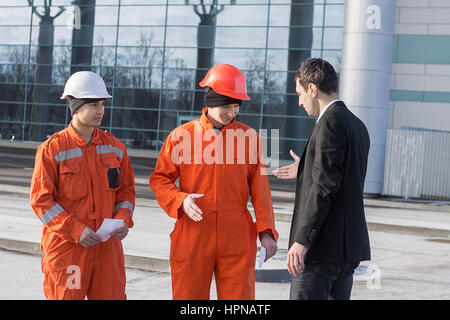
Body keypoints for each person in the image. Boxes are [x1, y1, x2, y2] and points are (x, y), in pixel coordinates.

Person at [150, 64, 279, 300]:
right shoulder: (181, 136)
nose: (232, 113)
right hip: (193, 234)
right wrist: (181, 200)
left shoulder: (250, 139)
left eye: (236, 106)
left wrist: (267, 233)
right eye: (226, 106)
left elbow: (261, 191)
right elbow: (160, 179)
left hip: (237, 237)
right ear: (210, 101)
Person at [30, 71, 136, 300]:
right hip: (68, 249)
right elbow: (42, 200)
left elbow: (126, 192)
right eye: (93, 105)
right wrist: (76, 231)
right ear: (75, 107)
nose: (100, 111)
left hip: (107, 249)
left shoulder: (116, 148)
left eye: (102, 104)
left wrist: (123, 220)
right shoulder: (52, 149)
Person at [273, 58, 371, 300]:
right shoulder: (357, 125)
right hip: (345, 251)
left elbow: (324, 187)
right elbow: (342, 177)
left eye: (300, 93)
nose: (299, 102)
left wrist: (302, 241)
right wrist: (306, 168)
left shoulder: (330, 123)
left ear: (312, 89)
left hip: (321, 251)